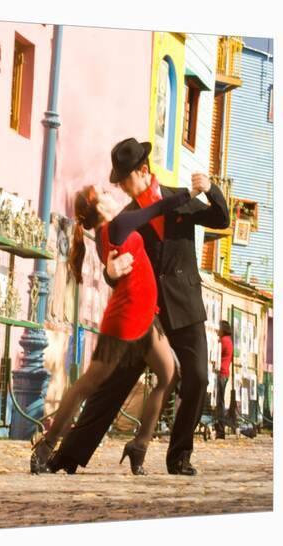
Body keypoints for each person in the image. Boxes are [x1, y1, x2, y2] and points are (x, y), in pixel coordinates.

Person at [48, 137, 230, 476]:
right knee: (114, 384)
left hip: (186, 306)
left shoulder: (180, 198)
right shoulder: (129, 216)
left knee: (198, 378)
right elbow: (114, 261)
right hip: (148, 313)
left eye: (125, 179)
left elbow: (221, 220)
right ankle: (67, 456)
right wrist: (109, 273)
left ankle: (178, 457)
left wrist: (210, 188)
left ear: (143, 170)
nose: (122, 188)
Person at [30, 181, 201, 475]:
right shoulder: (118, 225)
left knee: (168, 376)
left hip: (144, 317)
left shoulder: (102, 235)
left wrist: (112, 270)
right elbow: (158, 208)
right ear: (99, 207)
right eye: (106, 193)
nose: (112, 195)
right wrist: (191, 194)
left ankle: (139, 446)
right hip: (127, 320)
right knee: (88, 384)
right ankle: (46, 446)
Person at [215, 320, 233, 439]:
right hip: (225, 372)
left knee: (219, 401)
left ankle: (220, 429)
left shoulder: (224, 341)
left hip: (221, 372)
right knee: (220, 400)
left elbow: (217, 354)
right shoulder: (229, 341)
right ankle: (220, 428)